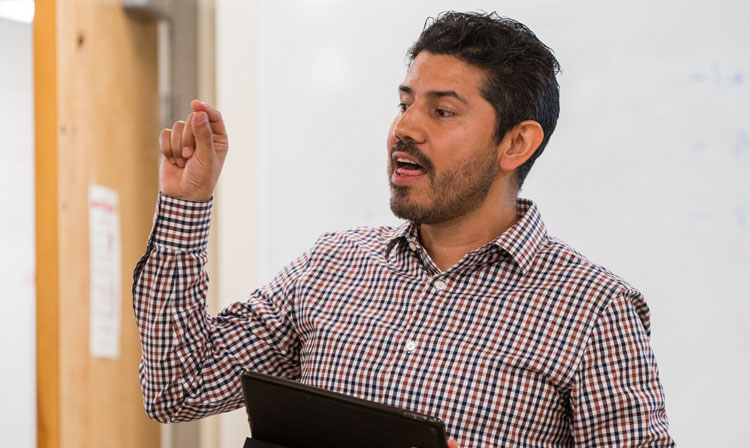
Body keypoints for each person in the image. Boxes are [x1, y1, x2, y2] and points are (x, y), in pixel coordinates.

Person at [133, 11, 675, 447]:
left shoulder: (594, 311)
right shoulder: (331, 266)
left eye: (442, 112)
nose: (404, 127)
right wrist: (187, 205)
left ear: (516, 143)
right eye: (404, 102)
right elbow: (177, 387)